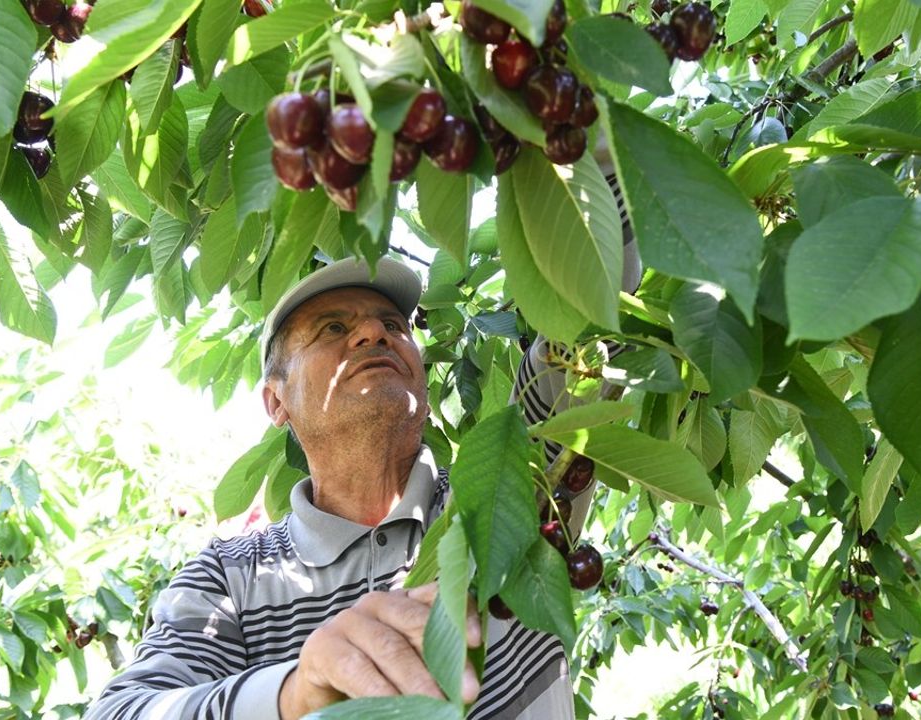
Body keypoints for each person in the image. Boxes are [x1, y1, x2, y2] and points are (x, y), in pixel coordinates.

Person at [84, 256, 597, 719]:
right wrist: (294, 694)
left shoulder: (506, 495)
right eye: (333, 327)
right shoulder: (230, 580)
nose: (375, 331)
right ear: (276, 403)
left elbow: (580, 307)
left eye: (395, 325)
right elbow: (122, 712)